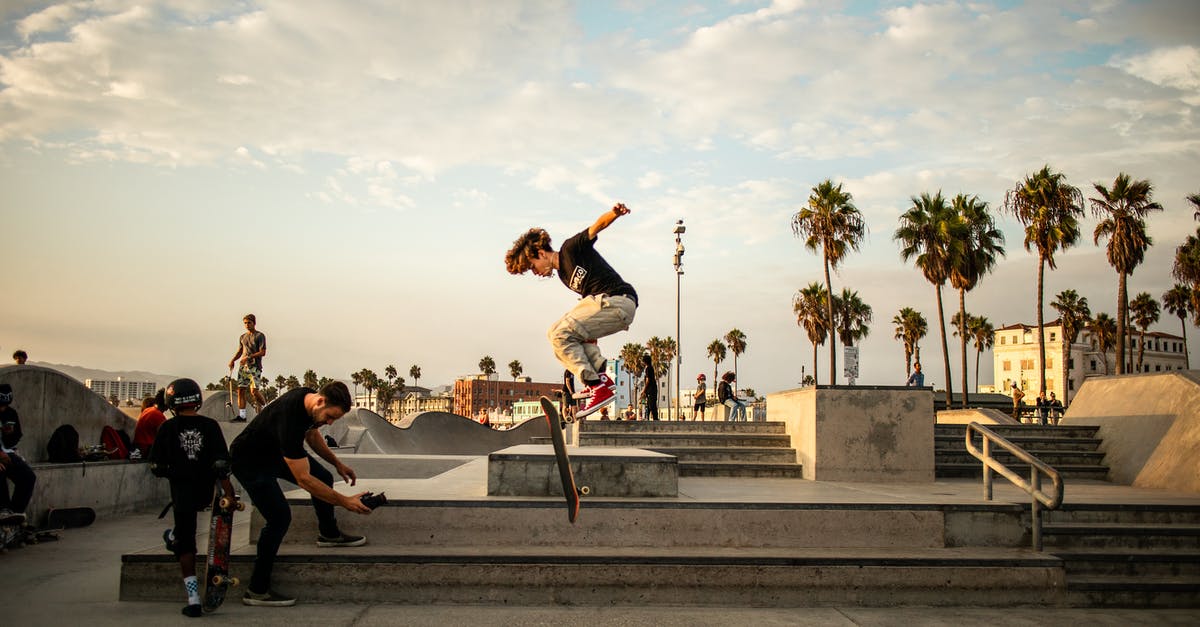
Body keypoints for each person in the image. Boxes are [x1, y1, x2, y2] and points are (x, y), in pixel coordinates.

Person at [230, 381, 370, 607]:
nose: (330, 422)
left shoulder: (308, 399)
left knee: (324, 476)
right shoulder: (290, 420)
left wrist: (337, 464)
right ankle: (257, 589)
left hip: (273, 452)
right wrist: (345, 502)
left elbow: (313, 436)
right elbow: (304, 479)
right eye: (330, 416)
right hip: (249, 461)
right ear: (321, 402)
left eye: (334, 419)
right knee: (279, 518)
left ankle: (329, 534)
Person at [504, 203, 638, 419]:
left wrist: (615, 213)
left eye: (532, 267)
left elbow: (597, 226)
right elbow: (588, 318)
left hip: (618, 299)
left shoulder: (570, 250)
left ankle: (595, 385)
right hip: (607, 306)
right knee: (566, 334)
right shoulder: (564, 277)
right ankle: (601, 377)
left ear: (540, 253)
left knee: (558, 333)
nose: (535, 273)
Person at [148, 378, 235, 618]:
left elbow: (156, 465)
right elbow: (221, 465)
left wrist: (174, 470)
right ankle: (175, 536)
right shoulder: (210, 426)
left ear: (171, 402)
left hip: (181, 494)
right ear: (197, 400)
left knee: (186, 544)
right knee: (184, 535)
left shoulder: (167, 428)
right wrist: (229, 493)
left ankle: (194, 598)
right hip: (204, 493)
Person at [0, 383, 35, 526]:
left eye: (4, 407)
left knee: (28, 476)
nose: (2, 409)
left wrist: (9, 434)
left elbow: (17, 435)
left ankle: (15, 512)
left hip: (7, 452)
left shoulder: (11, 413)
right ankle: (3, 509)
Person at [228, 314, 267, 421]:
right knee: (241, 389)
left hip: (255, 367)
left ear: (254, 323)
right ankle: (242, 415)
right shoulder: (243, 337)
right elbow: (240, 351)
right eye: (245, 323)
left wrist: (249, 357)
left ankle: (266, 408)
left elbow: (263, 352)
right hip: (243, 367)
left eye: (249, 323)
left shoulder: (260, 336)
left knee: (254, 390)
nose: (247, 325)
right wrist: (233, 360)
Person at [132, 389, 168, 459]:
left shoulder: (147, 410)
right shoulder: (158, 415)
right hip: (146, 450)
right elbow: (166, 435)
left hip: (137, 448)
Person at [638, 354, 659, 421]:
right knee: (648, 404)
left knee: (651, 404)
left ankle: (655, 418)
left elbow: (648, 380)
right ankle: (647, 418)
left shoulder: (648, 368)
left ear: (645, 361)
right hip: (652, 389)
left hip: (651, 389)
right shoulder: (650, 368)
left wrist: (644, 390)